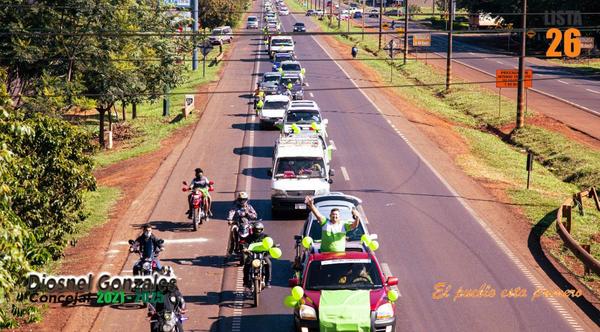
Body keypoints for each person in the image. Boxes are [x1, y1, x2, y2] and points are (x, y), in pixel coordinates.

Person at [242, 222, 272, 289]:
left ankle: (268, 281)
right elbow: (245, 244)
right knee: (246, 265)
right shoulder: (249, 237)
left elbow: (270, 243)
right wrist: (245, 248)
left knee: (269, 264)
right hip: (252, 255)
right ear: (253, 229)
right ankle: (245, 281)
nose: (258, 231)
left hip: (263, 255)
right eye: (256, 229)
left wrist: (273, 246)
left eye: (259, 229)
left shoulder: (266, 237)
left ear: (262, 229)